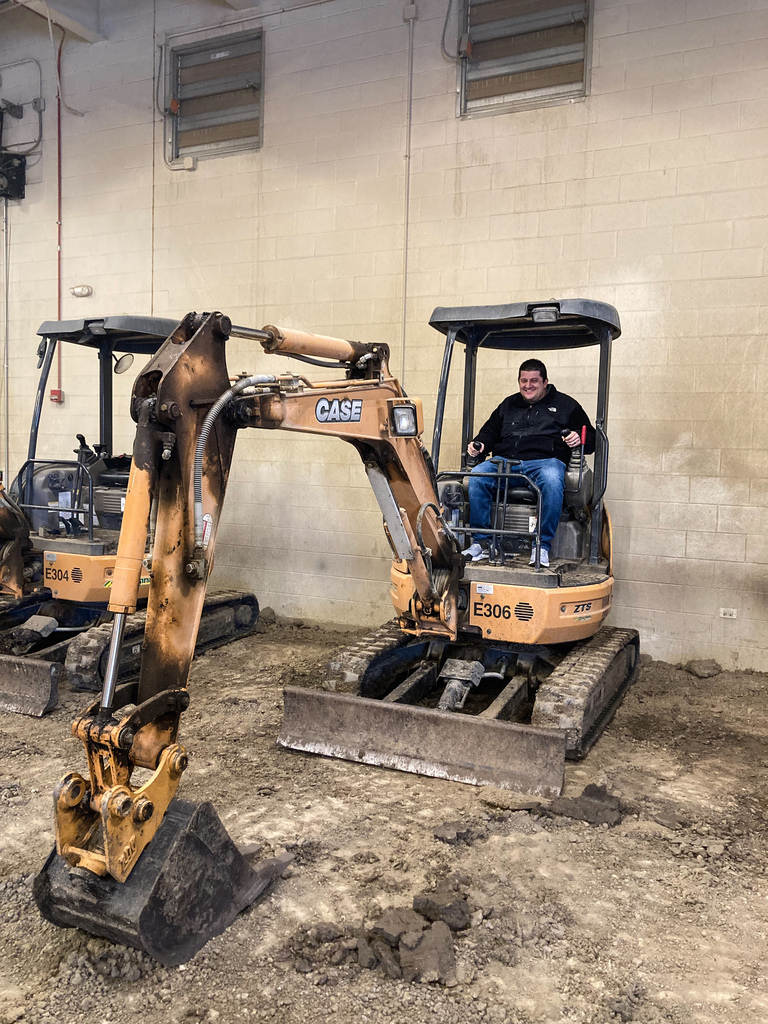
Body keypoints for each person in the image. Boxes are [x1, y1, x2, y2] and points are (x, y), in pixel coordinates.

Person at [462, 358, 595, 568]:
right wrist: (480, 444)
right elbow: (489, 432)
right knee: (478, 476)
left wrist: (579, 436)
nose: (528, 385)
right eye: (523, 380)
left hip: (545, 462)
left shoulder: (566, 406)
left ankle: (541, 545)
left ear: (545, 382)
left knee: (552, 479)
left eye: (534, 381)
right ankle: (482, 543)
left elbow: (591, 438)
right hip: (506, 462)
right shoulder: (508, 405)